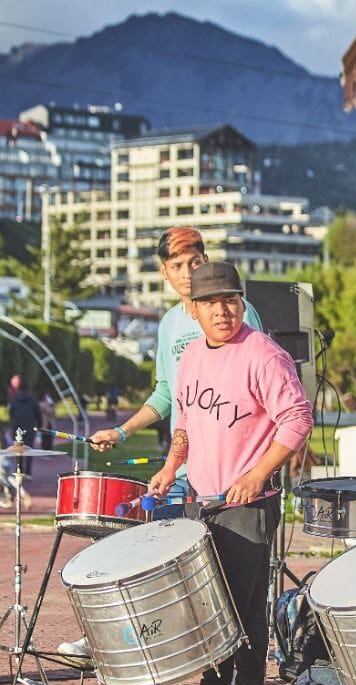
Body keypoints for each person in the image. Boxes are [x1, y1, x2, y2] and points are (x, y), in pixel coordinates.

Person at [60, 227, 265, 662]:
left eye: (196, 262)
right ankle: (116, 633)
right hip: (185, 466)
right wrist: (123, 431)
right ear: (164, 272)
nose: (189, 273)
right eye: (178, 266)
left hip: (234, 474)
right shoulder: (171, 325)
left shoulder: (236, 314)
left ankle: (231, 675)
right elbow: (169, 395)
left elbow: (263, 387)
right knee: (146, 543)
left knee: (222, 575)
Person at [148, 261, 312, 685]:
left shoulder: (262, 354)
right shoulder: (192, 357)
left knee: (244, 603)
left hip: (247, 503)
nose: (223, 310)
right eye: (211, 302)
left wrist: (258, 474)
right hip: (204, 500)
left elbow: (297, 418)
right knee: (209, 602)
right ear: (193, 309)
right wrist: (169, 467)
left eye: (231, 299)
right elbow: (185, 425)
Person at [7, 378, 43, 477]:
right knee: (29, 449)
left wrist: (13, 425)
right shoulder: (33, 401)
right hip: (30, 427)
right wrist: (39, 426)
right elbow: (38, 414)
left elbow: (11, 413)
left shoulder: (14, 400)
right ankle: (28, 472)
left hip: (17, 428)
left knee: (18, 449)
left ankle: (20, 469)